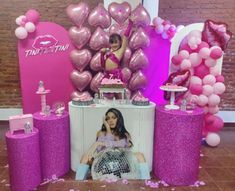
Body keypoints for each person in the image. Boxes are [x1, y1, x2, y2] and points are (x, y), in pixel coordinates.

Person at [75, 108, 150, 180]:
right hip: (103, 164)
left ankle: (146, 182)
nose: (111, 120)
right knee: (85, 156)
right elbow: (102, 150)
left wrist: (99, 143)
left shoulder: (125, 134)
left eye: (114, 118)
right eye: (108, 118)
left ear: (119, 119)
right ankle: (78, 183)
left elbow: (122, 144)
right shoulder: (101, 133)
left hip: (121, 165)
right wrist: (108, 129)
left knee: (140, 155)